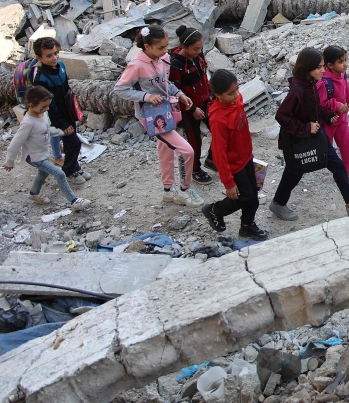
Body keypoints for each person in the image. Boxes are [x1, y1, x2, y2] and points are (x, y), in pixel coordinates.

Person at [270, 47, 349, 221]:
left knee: (337, 166)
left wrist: (327, 115)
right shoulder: (298, 90)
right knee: (294, 171)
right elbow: (281, 116)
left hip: (315, 135)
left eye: (322, 66)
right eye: (318, 67)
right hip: (300, 138)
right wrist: (306, 128)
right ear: (307, 68)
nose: (322, 70)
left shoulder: (311, 83)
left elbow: (314, 107)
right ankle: (277, 204)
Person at [114, 25, 204, 207]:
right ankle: (185, 190)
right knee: (187, 151)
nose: (165, 51)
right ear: (146, 46)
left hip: (166, 111)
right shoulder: (136, 65)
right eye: (161, 47)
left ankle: (168, 190)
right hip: (152, 117)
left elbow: (166, 83)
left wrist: (180, 94)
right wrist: (146, 96)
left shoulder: (162, 58)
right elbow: (120, 89)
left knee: (166, 151)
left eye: (165, 46)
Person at [200, 69, 268, 241]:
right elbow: (219, 153)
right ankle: (214, 210)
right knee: (242, 197)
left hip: (246, 159)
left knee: (253, 197)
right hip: (234, 166)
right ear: (218, 95)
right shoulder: (217, 119)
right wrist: (228, 183)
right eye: (231, 93)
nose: (237, 95)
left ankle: (247, 226)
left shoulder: (237, 100)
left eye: (237, 89)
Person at [4, 86, 89, 211]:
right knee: (59, 173)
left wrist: (62, 132)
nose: (47, 109)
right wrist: (9, 161)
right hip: (34, 157)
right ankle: (74, 201)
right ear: (32, 105)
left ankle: (34, 194)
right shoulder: (28, 123)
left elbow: (47, 130)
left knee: (43, 173)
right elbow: (16, 143)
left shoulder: (42, 115)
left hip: (42, 153)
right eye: (43, 106)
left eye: (48, 106)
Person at [32, 37, 86, 184]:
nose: (54, 58)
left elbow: (66, 87)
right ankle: (69, 171)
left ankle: (75, 166)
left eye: (56, 53)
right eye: (49, 55)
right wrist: (61, 124)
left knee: (70, 142)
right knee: (74, 143)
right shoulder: (41, 78)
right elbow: (46, 107)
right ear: (39, 58)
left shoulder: (61, 65)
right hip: (56, 117)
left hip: (68, 111)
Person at [169, 25, 214, 185]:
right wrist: (192, 108)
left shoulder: (197, 56)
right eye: (195, 49)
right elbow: (175, 92)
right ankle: (195, 170)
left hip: (205, 101)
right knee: (195, 140)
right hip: (189, 109)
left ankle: (211, 159)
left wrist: (210, 96)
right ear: (183, 47)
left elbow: (203, 78)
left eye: (200, 48)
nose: (198, 52)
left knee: (219, 130)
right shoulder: (175, 65)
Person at [317, 45, 349, 182]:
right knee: (326, 149)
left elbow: (346, 90)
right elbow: (321, 103)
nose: (345, 64)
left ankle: (348, 171)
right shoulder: (323, 82)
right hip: (329, 121)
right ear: (330, 65)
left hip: (342, 119)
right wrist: (337, 105)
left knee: (347, 145)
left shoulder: (342, 75)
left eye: (345, 60)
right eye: (341, 62)